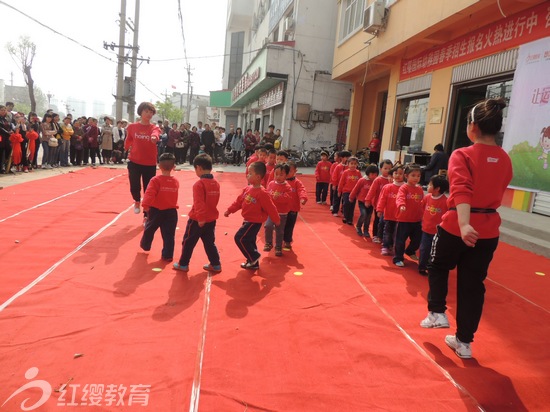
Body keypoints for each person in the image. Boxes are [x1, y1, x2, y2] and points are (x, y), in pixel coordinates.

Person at [420, 98, 513, 359]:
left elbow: (462, 189)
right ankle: (464, 342)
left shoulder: (462, 154)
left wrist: (463, 224)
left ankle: (437, 312)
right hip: (488, 229)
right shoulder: (505, 159)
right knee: (473, 285)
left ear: (472, 127)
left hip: (457, 225)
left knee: (437, 265)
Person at [224, 161, 280, 271]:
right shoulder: (247, 189)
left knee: (239, 238)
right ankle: (253, 263)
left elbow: (271, 208)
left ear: (258, 177)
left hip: (254, 222)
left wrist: (276, 220)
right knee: (250, 240)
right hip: (247, 220)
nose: (247, 175)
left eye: (250, 173)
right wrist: (229, 210)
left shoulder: (262, 193)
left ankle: (253, 257)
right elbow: (238, 202)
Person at [174, 154, 222, 273]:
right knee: (209, 243)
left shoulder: (199, 184)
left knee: (188, 241)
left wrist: (200, 218)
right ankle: (216, 264)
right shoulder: (215, 183)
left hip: (197, 220)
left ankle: (183, 264)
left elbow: (199, 203)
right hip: (211, 219)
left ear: (199, 168)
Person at [139, 153, 179, 261]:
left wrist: (146, 206)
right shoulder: (175, 181)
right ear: (173, 167)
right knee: (169, 235)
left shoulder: (155, 180)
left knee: (149, 229)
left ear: (159, 166)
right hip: (171, 211)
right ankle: (167, 255)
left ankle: (145, 245)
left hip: (156, 210)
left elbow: (149, 193)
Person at [124, 102, 161, 221]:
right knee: (134, 186)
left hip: (149, 163)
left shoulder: (154, 128)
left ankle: (147, 214)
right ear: (141, 112)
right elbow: (129, 139)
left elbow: (156, 134)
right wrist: (125, 148)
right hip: (134, 161)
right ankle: (136, 200)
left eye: (151, 112)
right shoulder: (132, 127)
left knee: (148, 189)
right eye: (147, 112)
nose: (149, 114)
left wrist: (154, 138)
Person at [393, 164, 424, 267]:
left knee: (417, 239)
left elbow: (423, 202)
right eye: (413, 175)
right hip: (404, 219)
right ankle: (398, 258)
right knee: (400, 240)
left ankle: (410, 251)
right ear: (406, 176)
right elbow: (400, 198)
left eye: (418, 176)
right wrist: (401, 205)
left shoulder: (420, 189)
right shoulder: (404, 188)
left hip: (416, 220)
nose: (416, 178)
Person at [418, 175, 449, 275]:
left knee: (435, 251)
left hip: (437, 233)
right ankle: (422, 266)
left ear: (437, 188)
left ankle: (431, 266)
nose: (427, 186)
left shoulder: (446, 202)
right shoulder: (427, 197)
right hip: (426, 229)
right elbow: (422, 207)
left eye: (430, 184)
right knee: (424, 249)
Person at [264, 163, 292, 256]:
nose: (278, 176)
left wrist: (278, 197)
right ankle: (268, 243)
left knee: (279, 231)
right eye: (276, 174)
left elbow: (287, 198)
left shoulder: (287, 187)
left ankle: (278, 246)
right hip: (272, 212)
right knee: (268, 226)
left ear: (286, 175)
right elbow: (267, 194)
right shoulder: (271, 183)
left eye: (281, 174)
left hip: (282, 213)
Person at [376, 164, 405, 256]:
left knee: (396, 233)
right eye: (396, 173)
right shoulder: (388, 187)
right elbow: (382, 199)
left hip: (401, 216)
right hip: (388, 214)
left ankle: (392, 245)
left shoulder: (406, 188)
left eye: (401, 174)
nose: (398, 175)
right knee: (387, 231)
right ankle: (385, 246)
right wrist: (379, 209)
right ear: (392, 174)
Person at [365, 159, 393, 243]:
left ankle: (384, 236)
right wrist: (368, 199)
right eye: (385, 168)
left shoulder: (392, 180)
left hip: (389, 206)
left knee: (386, 222)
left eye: (389, 169)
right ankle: (375, 235)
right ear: (381, 169)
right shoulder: (378, 180)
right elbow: (372, 191)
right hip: (378, 204)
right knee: (377, 220)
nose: (387, 170)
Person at [283, 161, 308, 250]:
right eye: (286, 171)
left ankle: (287, 240)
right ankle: (280, 239)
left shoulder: (297, 183)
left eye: (290, 171)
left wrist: (303, 198)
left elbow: (302, 190)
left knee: (290, 224)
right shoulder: (282, 181)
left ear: (295, 171)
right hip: (282, 208)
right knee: (281, 225)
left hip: (293, 208)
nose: (287, 173)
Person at [350, 164, 379, 237]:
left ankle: (366, 230)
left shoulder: (376, 182)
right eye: (372, 174)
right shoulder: (362, 180)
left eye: (376, 174)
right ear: (368, 173)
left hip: (371, 203)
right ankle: (358, 226)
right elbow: (356, 189)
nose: (374, 176)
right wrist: (351, 197)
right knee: (363, 214)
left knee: (368, 217)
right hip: (362, 201)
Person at [338, 156, 362, 225]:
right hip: (346, 191)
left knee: (352, 205)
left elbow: (360, 182)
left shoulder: (358, 173)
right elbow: (341, 182)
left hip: (354, 192)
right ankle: (345, 216)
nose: (353, 165)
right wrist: (339, 190)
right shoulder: (345, 172)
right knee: (346, 203)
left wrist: (360, 192)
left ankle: (350, 219)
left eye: (355, 164)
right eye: (351, 163)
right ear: (348, 164)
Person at [330, 151, 351, 217]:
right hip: (338, 185)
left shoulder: (349, 167)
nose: (348, 158)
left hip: (345, 187)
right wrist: (334, 184)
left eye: (349, 157)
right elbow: (334, 176)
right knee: (337, 198)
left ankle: (343, 210)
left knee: (345, 199)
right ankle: (335, 210)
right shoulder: (338, 167)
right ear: (342, 158)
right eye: (346, 157)